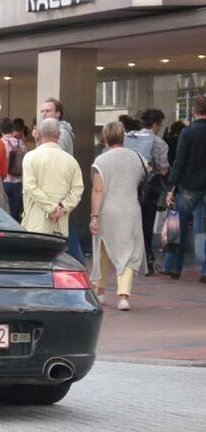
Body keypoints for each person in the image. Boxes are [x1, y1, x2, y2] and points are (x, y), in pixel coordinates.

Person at [90, 122, 147, 311]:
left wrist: (94, 215)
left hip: (108, 211)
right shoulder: (138, 158)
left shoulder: (100, 161)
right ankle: (124, 296)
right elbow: (148, 173)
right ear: (124, 137)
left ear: (105, 138)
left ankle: (100, 291)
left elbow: (98, 190)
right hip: (131, 210)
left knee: (103, 251)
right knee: (128, 251)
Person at [36, 97, 85, 265]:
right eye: (42, 111)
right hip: (56, 188)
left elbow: (53, 160)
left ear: (58, 113)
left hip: (56, 189)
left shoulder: (61, 134)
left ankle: (78, 265)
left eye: (48, 111)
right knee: (62, 229)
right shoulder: (59, 132)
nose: (44, 114)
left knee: (64, 230)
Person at [164, 96, 206, 282]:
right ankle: (205, 271)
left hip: (189, 185)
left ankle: (175, 267)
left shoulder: (187, 133)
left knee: (179, 228)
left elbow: (179, 161)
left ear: (193, 111)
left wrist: (171, 187)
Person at [123, 109, 170, 275]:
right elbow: (163, 169)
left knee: (130, 223)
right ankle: (147, 260)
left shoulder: (129, 138)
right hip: (149, 190)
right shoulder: (159, 143)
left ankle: (129, 259)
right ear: (156, 124)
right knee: (146, 224)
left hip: (128, 187)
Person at [21, 118, 84, 238]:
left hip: (35, 225)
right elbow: (77, 189)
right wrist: (63, 207)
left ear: (39, 133)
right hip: (60, 225)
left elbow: (30, 187)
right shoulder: (71, 161)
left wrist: (52, 208)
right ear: (59, 135)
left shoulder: (30, 158)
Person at [0, 117, 27, 222]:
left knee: (4, 213)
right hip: (18, 182)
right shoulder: (21, 143)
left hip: (5, 180)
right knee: (15, 213)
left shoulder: (0, 143)